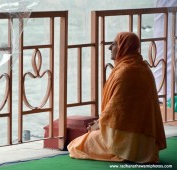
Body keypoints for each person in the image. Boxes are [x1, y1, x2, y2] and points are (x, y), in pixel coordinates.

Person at [67, 32, 167, 163]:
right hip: (147, 144)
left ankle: (122, 152)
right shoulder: (144, 68)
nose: (109, 48)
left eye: (114, 44)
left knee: (76, 145)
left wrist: (97, 125)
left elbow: (114, 110)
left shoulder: (124, 72)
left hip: (124, 143)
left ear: (124, 47)